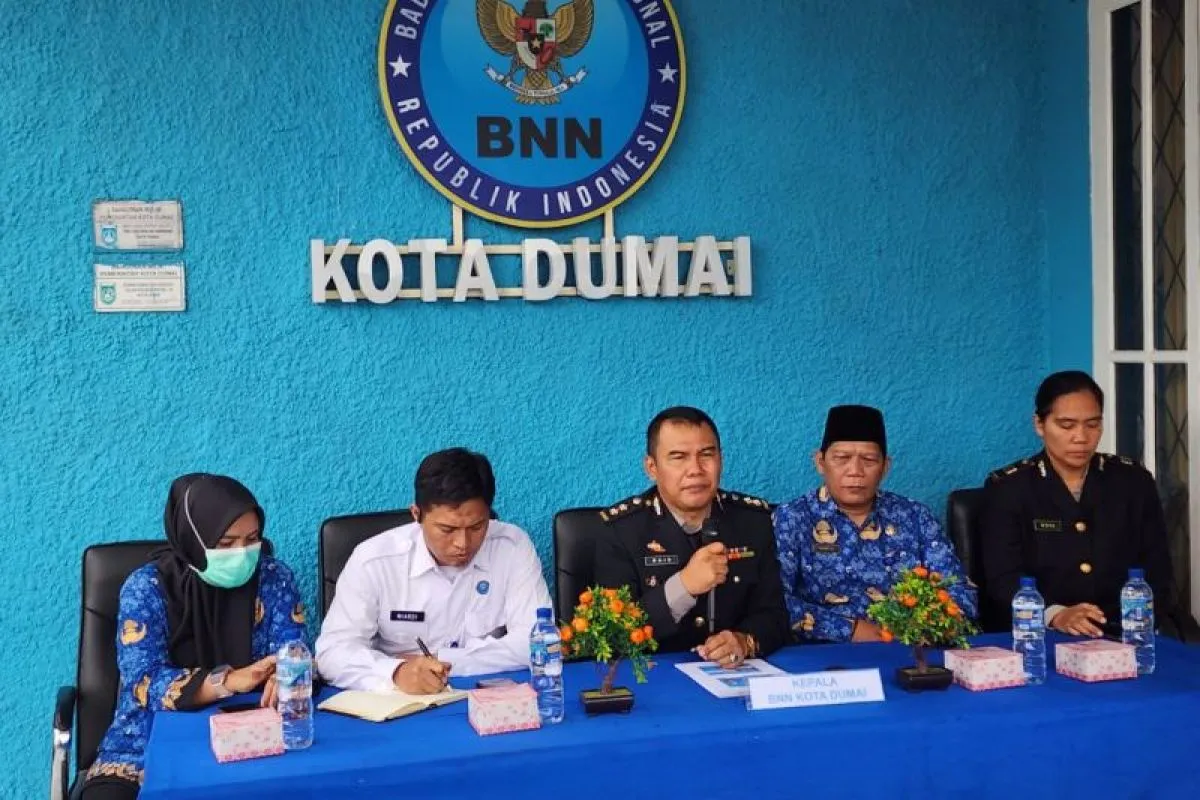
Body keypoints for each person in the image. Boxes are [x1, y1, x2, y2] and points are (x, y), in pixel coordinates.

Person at [81, 474, 308, 800]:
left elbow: (295, 649)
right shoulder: (147, 588)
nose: (242, 553)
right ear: (193, 540)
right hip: (144, 744)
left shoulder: (273, 578)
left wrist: (287, 674)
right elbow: (144, 680)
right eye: (226, 543)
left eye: (252, 539)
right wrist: (227, 681)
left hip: (256, 734)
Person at [316, 448, 552, 691]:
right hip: (401, 699)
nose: (462, 543)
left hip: (485, 696)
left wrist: (445, 660)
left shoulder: (512, 547)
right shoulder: (374, 561)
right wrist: (396, 672)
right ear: (416, 514)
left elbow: (539, 642)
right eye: (447, 530)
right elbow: (332, 653)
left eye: (477, 527)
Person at [979, 371, 1178, 636]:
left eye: (1092, 425)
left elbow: (1158, 570)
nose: (1081, 437)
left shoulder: (1133, 482)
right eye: (1066, 425)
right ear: (1039, 424)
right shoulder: (1009, 488)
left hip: (1122, 631)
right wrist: (1055, 614)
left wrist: (1136, 624)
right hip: (1041, 635)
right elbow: (1003, 579)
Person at [593, 407, 789, 666]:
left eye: (706, 454)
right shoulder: (620, 530)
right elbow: (612, 636)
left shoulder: (753, 520)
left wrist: (745, 641)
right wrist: (683, 586)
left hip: (734, 672)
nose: (695, 469)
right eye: (678, 457)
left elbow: (776, 613)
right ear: (652, 467)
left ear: (721, 460)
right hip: (656, 676)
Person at [773, 405, 977, 643]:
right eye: (842, 458)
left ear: (885, 467)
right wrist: (850, 630)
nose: (855, 471)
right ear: (820, 462)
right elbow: (773, 602)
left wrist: (922, 626)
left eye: (869, 460)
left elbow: (959, 591)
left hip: (909, 646)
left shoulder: (915, 516)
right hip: (823, 654)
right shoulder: (792, 518)